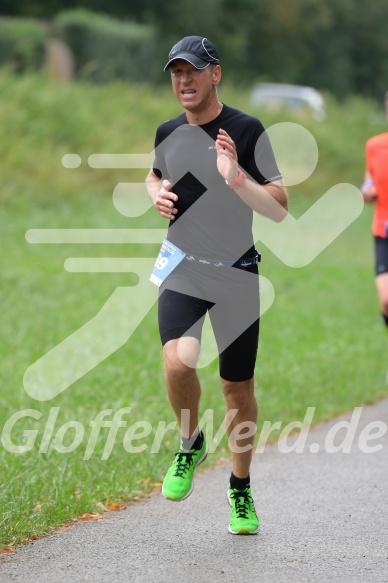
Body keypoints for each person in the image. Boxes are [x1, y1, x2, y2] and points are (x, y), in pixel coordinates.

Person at [146, 35, 288, 535]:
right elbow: (154, 176)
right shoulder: (168, 131)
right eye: (175, 73)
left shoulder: (247, 130)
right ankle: (190, 443)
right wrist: (157, 193)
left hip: (236, 273)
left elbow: (278, 207)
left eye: (192, 72)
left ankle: (240, 488)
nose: (183, 82)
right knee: (177, 359)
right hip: (183, 265)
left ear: (215, 74)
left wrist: (235, 177)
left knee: (237, 388)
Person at [361, 92, 388, 342]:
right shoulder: (375, 145)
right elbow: (368, 179)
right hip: (384, 231)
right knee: (387, 300)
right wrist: (367, 191)